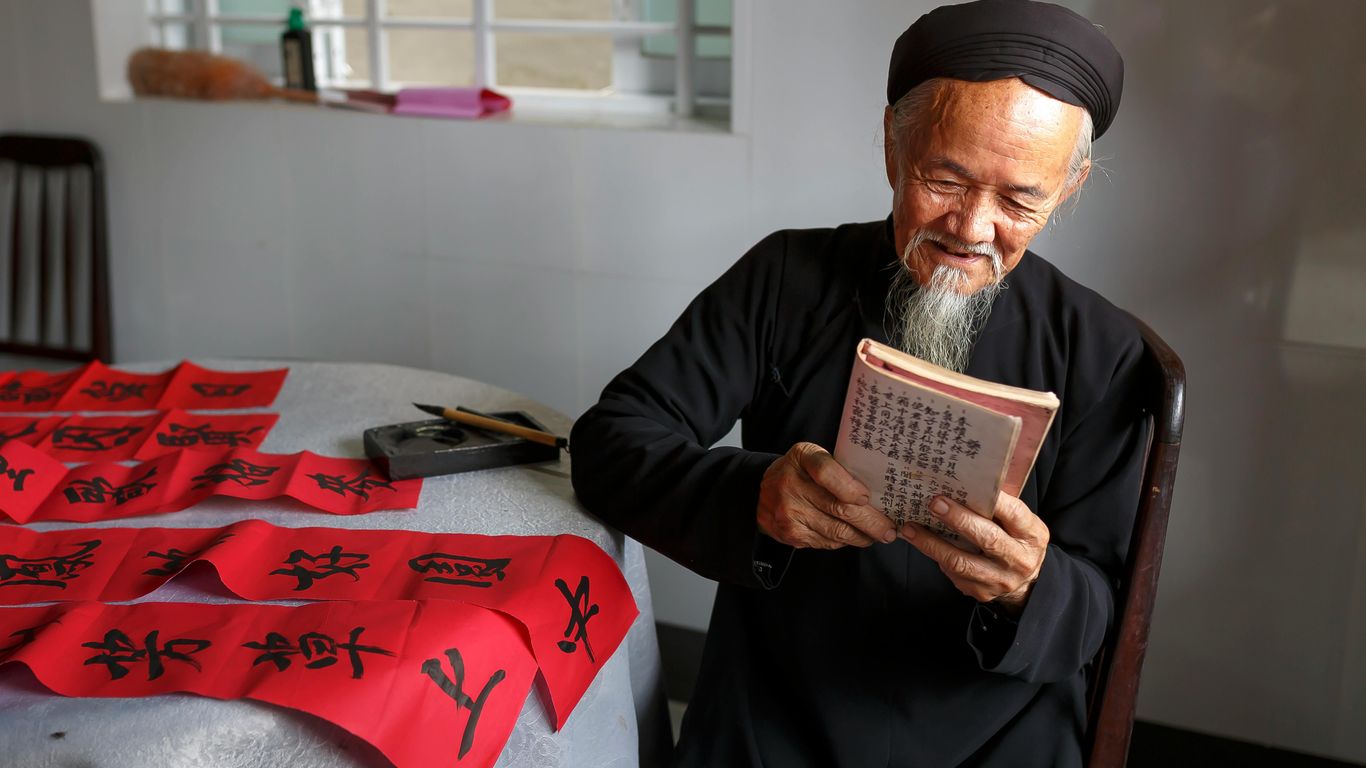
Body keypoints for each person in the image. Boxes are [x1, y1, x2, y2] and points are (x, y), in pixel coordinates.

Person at [571, 1, 1145, 765]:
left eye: (1018, 201)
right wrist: (756, 496)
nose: (971, 230)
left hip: (994, 735)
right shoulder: (784, 280)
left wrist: (1028, 584)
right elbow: (609, 443)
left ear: (1066, 189)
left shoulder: (1101, 351)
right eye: (944, 178)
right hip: (775, 713)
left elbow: (1102, 604)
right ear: (891, 145)